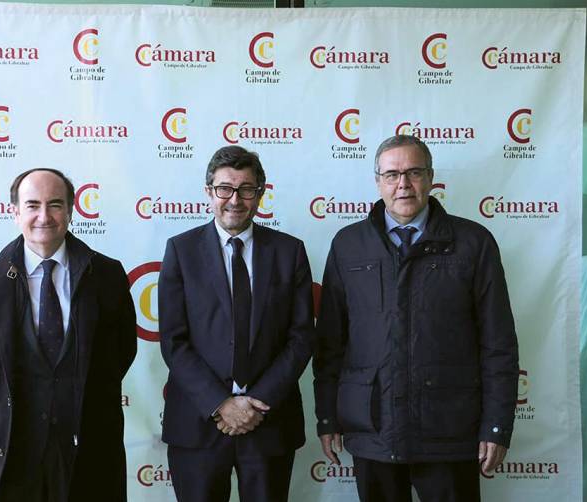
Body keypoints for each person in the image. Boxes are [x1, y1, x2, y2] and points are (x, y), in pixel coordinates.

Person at [313, 135, 519, 502]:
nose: (403, 184)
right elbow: (330, 344)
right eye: (391, 175)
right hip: (373, 429)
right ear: (378, 181)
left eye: (413, 172)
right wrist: (328, 417)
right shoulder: (348, 244)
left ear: (431, 177)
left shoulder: (473, 243)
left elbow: (498, 343)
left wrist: (497, 426)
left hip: (449, 431)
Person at [0, 168, 136, 501]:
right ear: (15, 213)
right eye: (32, 205)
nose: (44, 216)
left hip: (88, 448)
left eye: (55, 204)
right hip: (11, 449)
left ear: (70, 210)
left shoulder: (107, 276)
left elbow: (121, 353)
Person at [158, 146, 315, 502]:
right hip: (199, 423)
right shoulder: (181, 251)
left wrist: (255, 403)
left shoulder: (289, 252)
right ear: (208, 192)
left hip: (268, 422)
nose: (235, 199)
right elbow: (173, 340)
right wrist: (221, 404)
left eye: (247, 189)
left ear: (261, 193)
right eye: (225, 188)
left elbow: (301, 336)